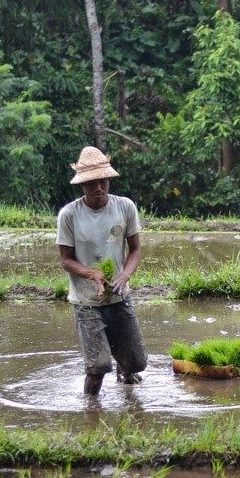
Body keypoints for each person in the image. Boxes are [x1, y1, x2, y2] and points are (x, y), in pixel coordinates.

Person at [56, 146, 148, 395]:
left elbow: (136, 249)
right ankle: (90, 411)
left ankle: (125, 377)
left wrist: (125, 275)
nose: (98, 187)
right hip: (87, 301)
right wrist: (91, 273)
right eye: (91, 183)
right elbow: (65, 260)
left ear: (109, 179)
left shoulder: (125, 207)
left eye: (103, 181)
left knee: (136, 363)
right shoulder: (69, 214)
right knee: (97, 367)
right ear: (82, 185)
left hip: (119, 296)